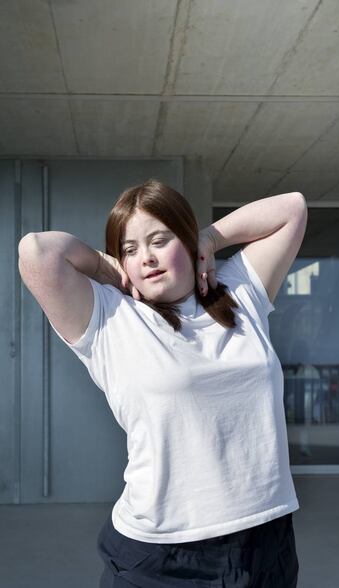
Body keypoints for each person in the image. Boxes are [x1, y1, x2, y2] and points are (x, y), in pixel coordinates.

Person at [18, 179, 305, 587]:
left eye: (159, 240)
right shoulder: (109, 316)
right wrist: (107, 267)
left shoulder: (242, 292)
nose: (146, 258)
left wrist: (211, 236)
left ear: (187, 241)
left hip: (266, 539)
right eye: (131, 248)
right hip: (163, 556)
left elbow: (292, 207)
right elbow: (36, 251)